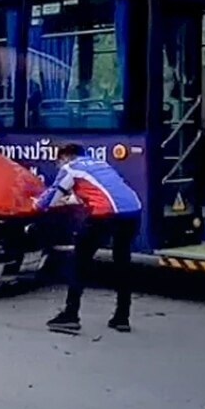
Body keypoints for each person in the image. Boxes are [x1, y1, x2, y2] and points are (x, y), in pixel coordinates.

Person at [36, 143, 142, 334]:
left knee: (79, 262)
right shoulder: (101, 164)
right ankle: (122, 317)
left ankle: (70, 315)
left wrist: (37, 203)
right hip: (133, 211)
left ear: (65, 157)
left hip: (106, 215)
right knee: (122, 263)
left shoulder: (70, 168)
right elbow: (98, 192)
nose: (58, 166)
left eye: (58, 162)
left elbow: (49, 199)